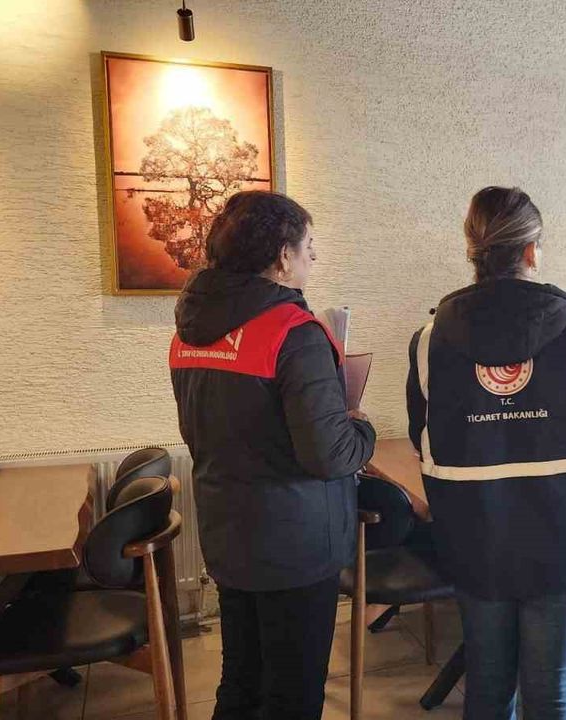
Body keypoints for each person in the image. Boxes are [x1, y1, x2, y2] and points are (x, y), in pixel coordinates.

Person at [406, 186, 566, 720]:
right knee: (551, 693)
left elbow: (421, 436)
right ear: (531, 251)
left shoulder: (431, 336)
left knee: (487, 687)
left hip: (474, 534)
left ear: (473, 250)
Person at [170, 190, 376, 720]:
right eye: (309, 245)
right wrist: (361, 427)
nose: (314, 256)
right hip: (295, 545)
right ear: (283, 256)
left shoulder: (190, 332)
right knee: (292, 695)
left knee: (241, 682)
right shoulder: (293, 332)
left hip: (227, 531)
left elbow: (202, 431)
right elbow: (329, 455)